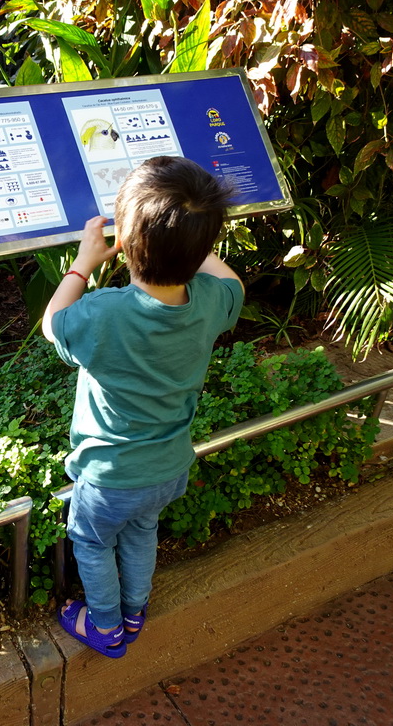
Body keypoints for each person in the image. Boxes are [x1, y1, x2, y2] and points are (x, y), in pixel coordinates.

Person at [42, 155, 244, 658]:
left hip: (110, 476)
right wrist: (195, 243)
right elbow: (234, 282)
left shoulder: (105, 313)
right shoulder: (210, 302)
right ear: (203, 249)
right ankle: (135, 608)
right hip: (170, 467)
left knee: (92, 542)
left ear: (128, 244)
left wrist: (82, 264)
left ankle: (106, 626)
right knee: (142, 529)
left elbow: (53, 324)